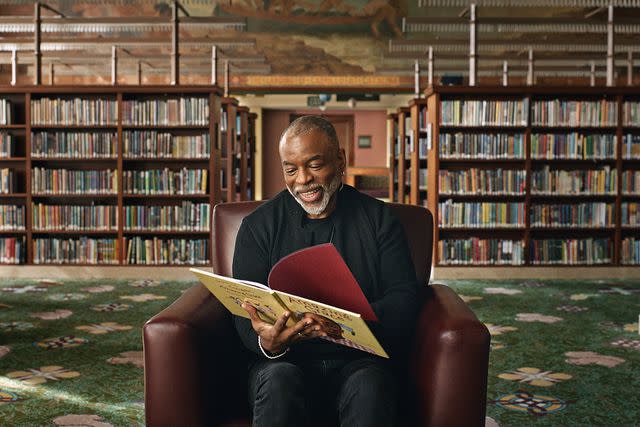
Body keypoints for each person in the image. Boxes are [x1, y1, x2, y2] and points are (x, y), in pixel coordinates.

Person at [232, 115, 421, 427]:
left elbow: (403, 297)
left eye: (315, 165)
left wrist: (343, 321)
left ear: (340, 159)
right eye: (290, 169)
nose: (303, 179)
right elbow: (243, 311)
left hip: (360, 359)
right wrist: (267, 341)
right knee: (278, 381)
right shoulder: (258, 226)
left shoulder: (379, 220)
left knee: (371, 387)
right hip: (284, 361)